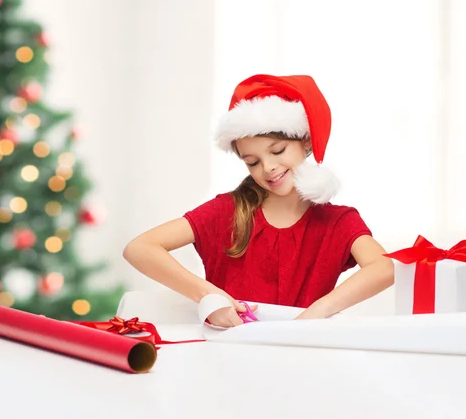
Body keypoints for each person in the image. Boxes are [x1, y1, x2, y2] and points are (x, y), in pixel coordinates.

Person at [123, 74, 394, 328]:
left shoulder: (337, 222)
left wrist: (316, 313)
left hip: (302, 357)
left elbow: (383, 267)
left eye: (277, 151)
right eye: (252, 162)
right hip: (227, 356)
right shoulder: (225, 212)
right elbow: (140, 248)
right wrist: (207, 295)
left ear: (307, 142)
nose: (268, 168)